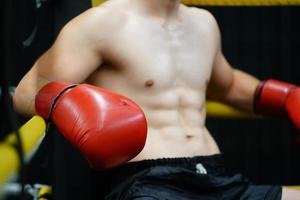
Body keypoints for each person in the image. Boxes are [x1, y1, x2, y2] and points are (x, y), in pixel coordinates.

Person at [13, 0, 300, 199]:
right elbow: (28, 90)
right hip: (147, 183)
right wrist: (69, 103)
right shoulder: (104, 23)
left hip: (217, 177)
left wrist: (288, 97)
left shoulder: (203, 22)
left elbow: (227, 85)